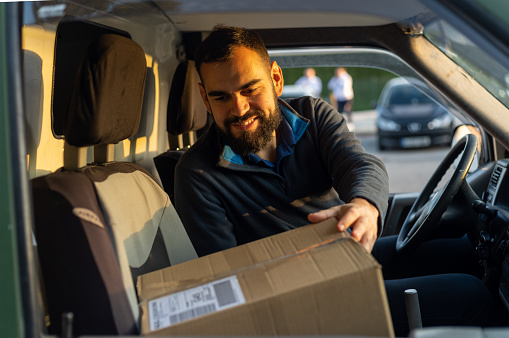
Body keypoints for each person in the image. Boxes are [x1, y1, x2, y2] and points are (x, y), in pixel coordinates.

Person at [174, 25, 494, 337]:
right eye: (221, 97)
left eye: (249, 89)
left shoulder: (313, 116)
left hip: (342, 253)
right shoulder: (197, 175)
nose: (238, 109)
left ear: (275, 79)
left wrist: (365, 205)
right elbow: (232, 286)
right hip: (298, 299)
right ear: (204, 97)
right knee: (470, 295)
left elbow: (360, 165)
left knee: (463, 250)